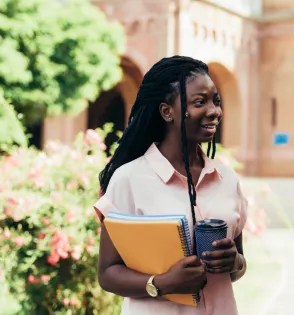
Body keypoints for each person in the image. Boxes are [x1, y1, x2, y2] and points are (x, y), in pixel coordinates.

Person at [94, 56, 248, 315]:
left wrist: (235, 262)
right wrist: (162, 283)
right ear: (167, 111)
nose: (214, 111)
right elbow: (108, 273)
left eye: (216, 101)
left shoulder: (227, 179)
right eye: (200, 102)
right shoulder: (129, 179)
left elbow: (239, 266)